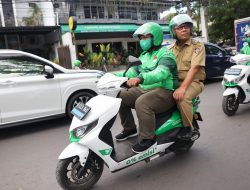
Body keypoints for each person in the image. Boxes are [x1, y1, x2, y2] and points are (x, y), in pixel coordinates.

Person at [115, 22, 179, 153]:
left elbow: (161, 73)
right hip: (146, 88)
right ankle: (129, 129)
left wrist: (140, 78)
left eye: (146, 37)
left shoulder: (166, 54)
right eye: (141, 38)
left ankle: (148, 138)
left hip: (165, 90)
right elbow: (132, 71)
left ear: (155, 37)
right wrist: (114, 77)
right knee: (119, 96)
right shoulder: (144, 55)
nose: (143, 40)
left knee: (142, 102)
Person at [169, 14, 206, 140]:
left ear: (190, 29)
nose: (184, 29)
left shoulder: (197, 45)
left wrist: (182, 88)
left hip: (194, 82)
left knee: (182, 98)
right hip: (174, 82)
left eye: (186, 27)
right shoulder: (170, 49)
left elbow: (195, 68)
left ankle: (187, 128)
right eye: (179, 27)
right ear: (173, 31)